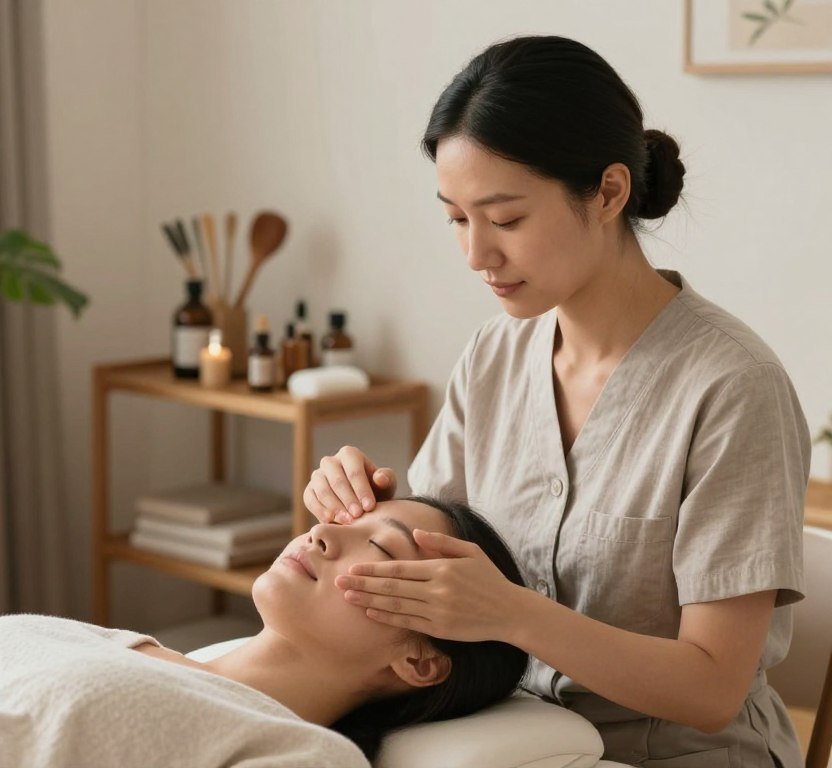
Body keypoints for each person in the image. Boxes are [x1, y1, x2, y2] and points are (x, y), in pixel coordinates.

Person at [304, 34, 811, 768]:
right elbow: (438, 560)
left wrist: (511, 615)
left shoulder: (731, 388)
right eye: (456, 217)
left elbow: (712, 690)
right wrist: (357, 503)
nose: (477, 255)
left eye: (505, 219)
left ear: (608, 192)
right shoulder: (495, 355)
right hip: (508, 738)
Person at [0, 496, 528, 768]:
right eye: (349, 518)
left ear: (420, 661)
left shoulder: (301, 755)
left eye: (386, 546)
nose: (326, 534)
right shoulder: (111, 642)